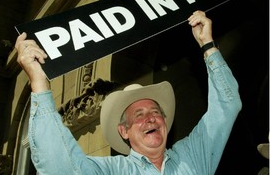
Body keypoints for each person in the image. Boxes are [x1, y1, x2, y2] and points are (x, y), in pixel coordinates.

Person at [15, 10, 242, 174]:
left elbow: (227, 106)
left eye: (155, 112)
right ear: (124, 131)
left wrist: (208, 46)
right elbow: (59, 166)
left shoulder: (193, 156)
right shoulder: (111, 171)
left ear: (164, 121)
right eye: (139, 115)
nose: (150, 118)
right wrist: (39, 83)